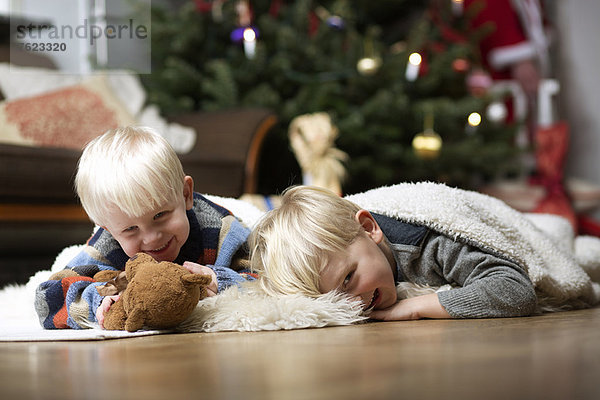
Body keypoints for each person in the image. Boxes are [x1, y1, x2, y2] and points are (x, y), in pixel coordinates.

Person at [249, 185, 599, 321]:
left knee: (574, 249)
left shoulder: (429, 244)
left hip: (526, 230)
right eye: (333, 297)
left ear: (370, 229)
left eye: (349, 278)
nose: (353, 302)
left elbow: (515, 289)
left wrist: (414, 306)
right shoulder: (351, 247)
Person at [35, 126, 255, 329]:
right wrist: (99, 300)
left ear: (185, 194)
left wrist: (221, 281)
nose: (151, 238)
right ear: (109, 230)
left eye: (160, 215)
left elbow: (269, 279)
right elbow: (47, 299)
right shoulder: (107, 244)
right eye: (131, 229)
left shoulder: (221, 230)